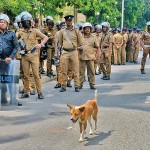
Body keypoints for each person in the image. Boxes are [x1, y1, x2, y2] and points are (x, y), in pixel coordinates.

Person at [17, 12, 48, 99]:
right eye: (25, 22)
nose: (27, 23)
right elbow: (14, 39)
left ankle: (40, 92)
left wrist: (41, 44)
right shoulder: (20, 32)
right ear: (22, 23)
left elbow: (45, 37)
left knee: (36, 74)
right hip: (24, 55)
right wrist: (18, 43)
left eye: (28, 21)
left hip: (34, 55)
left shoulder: (34, 31)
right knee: (26, 75)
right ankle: (26, 92)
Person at [59, 15, 83, 92]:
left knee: (76, 70)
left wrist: (76, 48)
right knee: (64, 70)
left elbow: (80, 42)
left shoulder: (76, 30)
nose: (69, 22)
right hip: (65, 52)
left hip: (73, 52)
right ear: (65, 21)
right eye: (67, 21)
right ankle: (63, 86)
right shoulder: (62, 31)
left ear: (71, 21)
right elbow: (60, 42)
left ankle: (76, 86)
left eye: (70, 21)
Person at [0, 14, 20, 105]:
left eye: (4, 22)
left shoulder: (11, 34)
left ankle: (13, 98)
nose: (2, 24)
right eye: (0, 22)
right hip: (0, 61)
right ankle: (3, 98)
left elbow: (16, 47)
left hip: (9, 61)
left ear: (7, 24)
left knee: (11, 80)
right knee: (2, 80)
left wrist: (10, 57)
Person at [78, 22, 100, 89]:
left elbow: (98, 48)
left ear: (90, 29)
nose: (87, 30)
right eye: (86, 28)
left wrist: (96, 57)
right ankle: (80, 85)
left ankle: (92, 84)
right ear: (84, 29)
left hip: (91, 57)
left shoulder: (94, 37)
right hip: (82, 57)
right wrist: (79, 48)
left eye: (88, 28)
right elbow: (76, 46)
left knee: (91, 72)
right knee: (81, 72)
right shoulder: (80, 37)